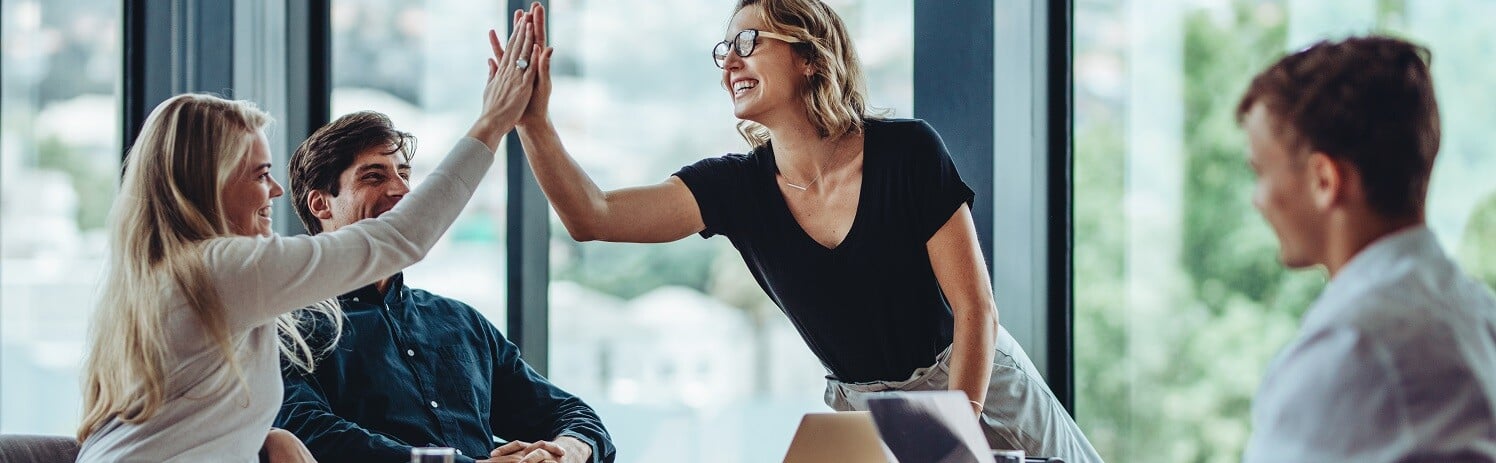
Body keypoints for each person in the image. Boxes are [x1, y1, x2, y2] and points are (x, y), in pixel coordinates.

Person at [509, 1, 1101, 460]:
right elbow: (592, 216)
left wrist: (953, 434)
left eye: (749, 41)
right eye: (725, 50)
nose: (731, 62)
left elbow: (976, 310)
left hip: (976, 382)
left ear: (809, 55)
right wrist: (533, 122)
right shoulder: (734, 190)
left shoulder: (907, 151)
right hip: (866, 410)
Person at [74, 10, 542, 462]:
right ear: (209, 182)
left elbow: (187, 420)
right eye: (260, 175)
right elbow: (400, 238)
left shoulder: (160, 276)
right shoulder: (221, 269)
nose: (275, 191)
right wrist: (492, 123)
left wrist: (270, 437)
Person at [273, 109, 615, 463]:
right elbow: (311, 434)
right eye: (374, 177)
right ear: (320, 204)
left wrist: (564, 453)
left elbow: (574, 415)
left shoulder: (460, 321)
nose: (402, 190)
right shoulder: (288, 326)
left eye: (404, 174)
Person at [1238, 36, 1496, 462]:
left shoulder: (1351, 351)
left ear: (1324, 180)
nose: (1257, 199)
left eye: (1261, 172)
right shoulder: (1478, 315)